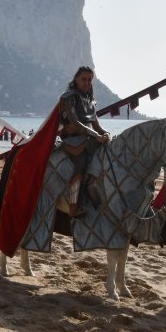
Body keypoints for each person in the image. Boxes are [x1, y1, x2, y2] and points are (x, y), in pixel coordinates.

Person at [58, 66, 110, 218]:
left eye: (89, 80)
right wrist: (96, 136)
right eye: (84, 79)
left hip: (88, 139)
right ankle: (73, 206)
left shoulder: (90, 101)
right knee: (81, 164)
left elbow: (96, 125)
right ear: (76, 79)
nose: (87, 82)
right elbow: (75, 123)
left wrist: (106, 133)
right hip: (73, 141)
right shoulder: (68, 97)